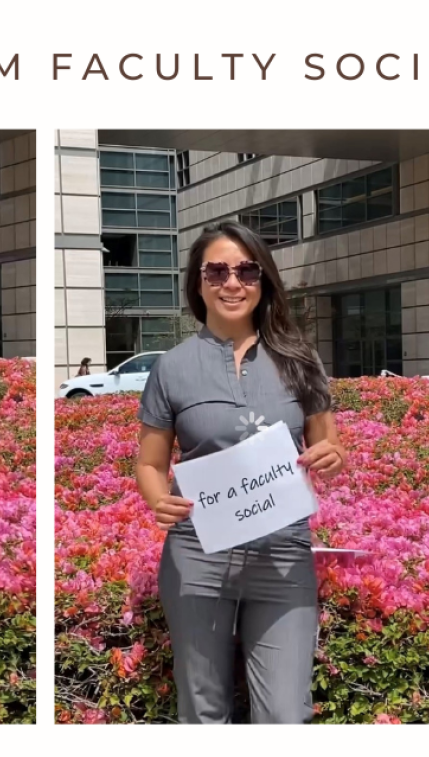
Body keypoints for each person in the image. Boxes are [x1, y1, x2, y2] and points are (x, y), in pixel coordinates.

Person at [134, 221, 346, 724]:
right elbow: (149, 462)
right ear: (198, 282)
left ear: (263, 280)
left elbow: (329, 444)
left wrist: (333, 456)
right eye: (217, 271)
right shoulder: (172, 367)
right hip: (197, 558)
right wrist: (157, 498)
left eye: (247, 270)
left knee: (285, 716)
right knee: (204, 710)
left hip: (283, 557)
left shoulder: (301, 360)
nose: (233, 282)